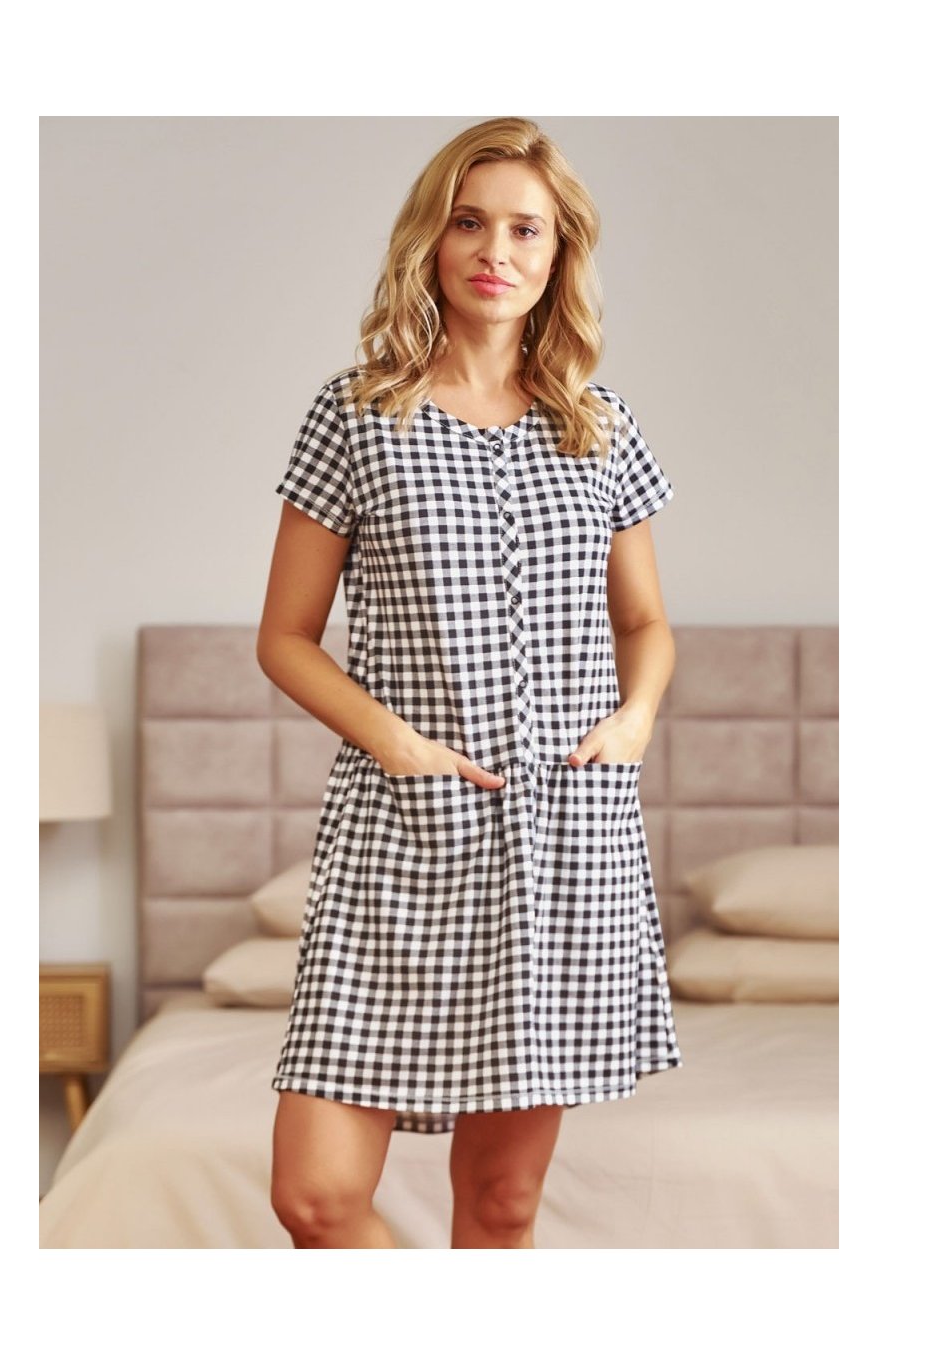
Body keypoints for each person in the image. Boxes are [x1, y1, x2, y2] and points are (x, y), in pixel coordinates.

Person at [256, 117, 683, 1250]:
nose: (496, 249)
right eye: (469, 221)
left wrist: (635, 718)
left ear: (558, 253)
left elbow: (644, 622)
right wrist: (394, 742)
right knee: (315, 1197)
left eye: (525, 229)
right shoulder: (356, 415)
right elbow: (286, 638)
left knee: (499, 1204)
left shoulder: (600, 427)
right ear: (432, 242)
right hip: (401, 834)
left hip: (563, 835)